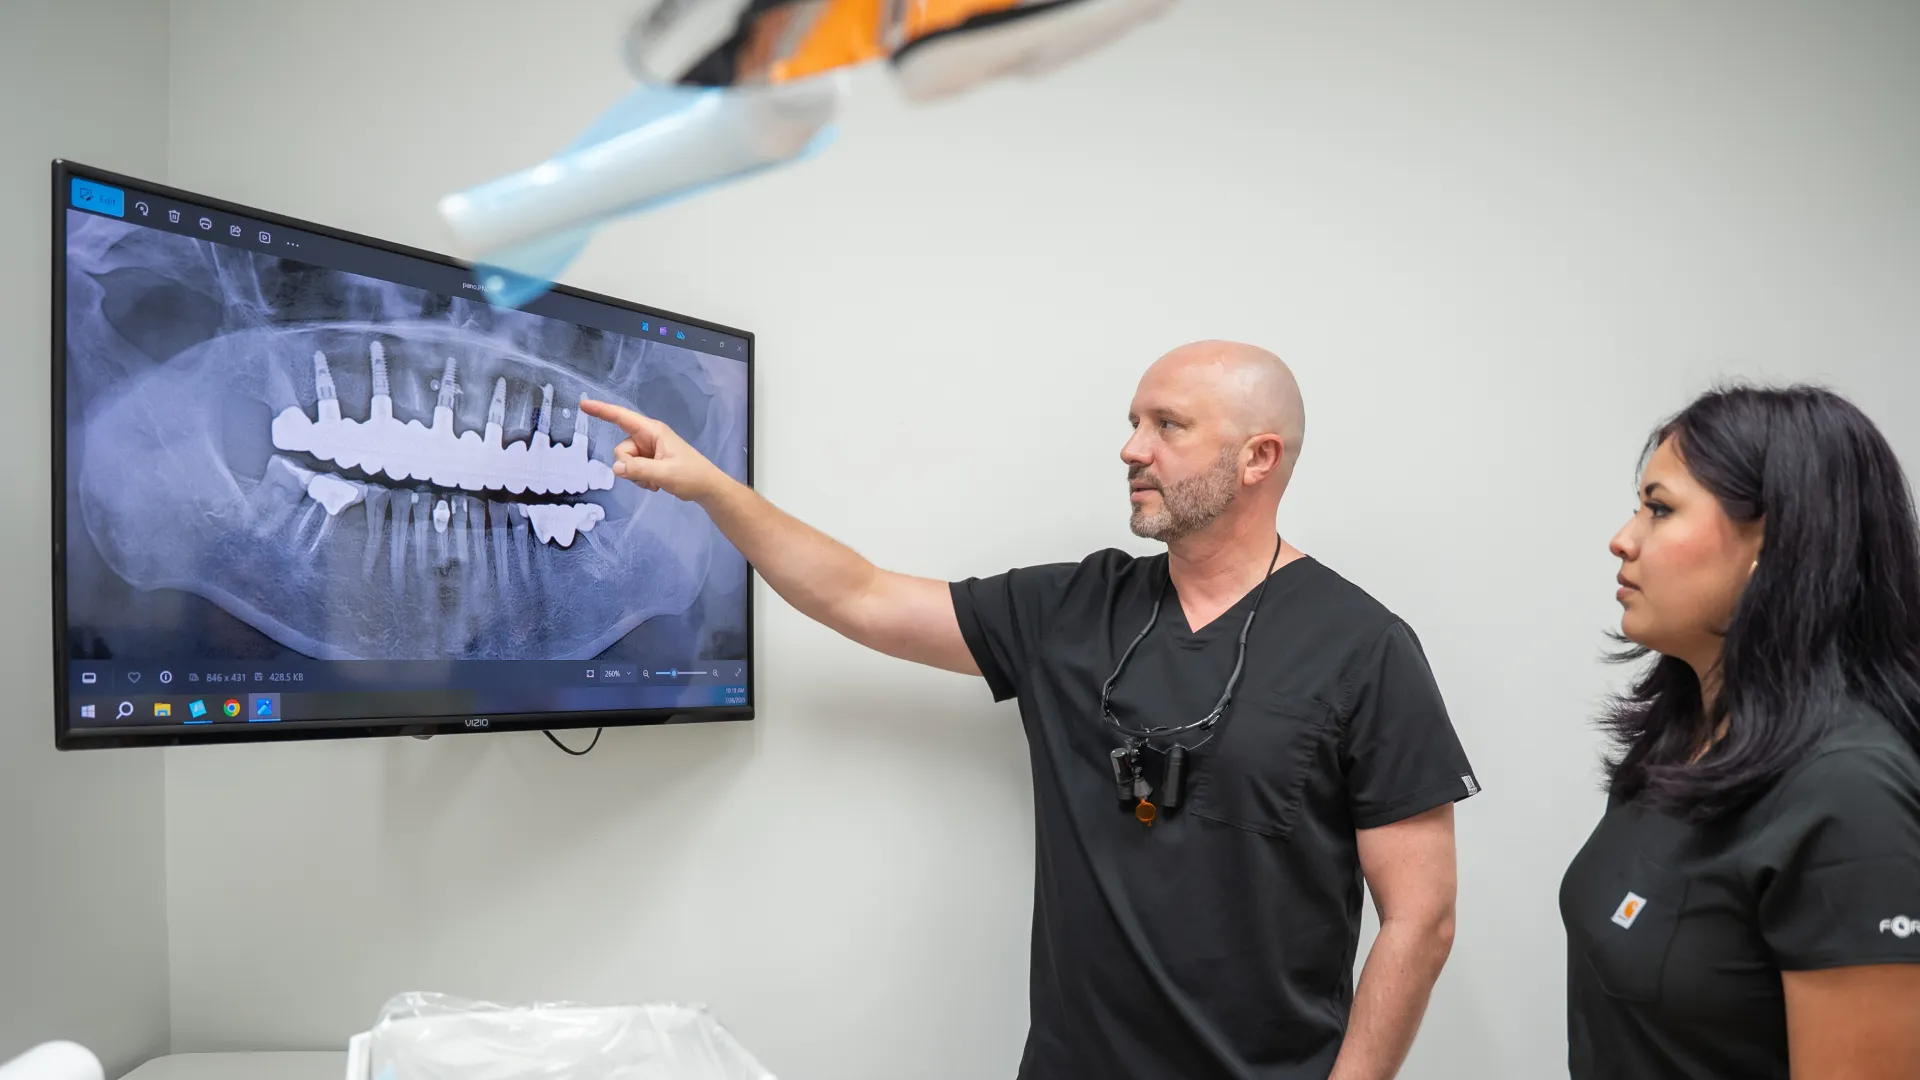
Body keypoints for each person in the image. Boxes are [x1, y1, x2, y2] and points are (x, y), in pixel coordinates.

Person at [582, 340, 1480, 1080]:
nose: (1132, 448)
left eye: (1167, 426)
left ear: (1258, 458)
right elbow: (858, 596)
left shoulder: (1364, 648)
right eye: (1132, 423)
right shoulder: (1073, 610)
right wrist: (710, 489)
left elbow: (1421, 917)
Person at [1563, 384, 1920, 1079]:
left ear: (1777, 541)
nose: (1623, 538)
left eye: (1659, 509)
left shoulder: (1849, 790)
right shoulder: (1681, 740)